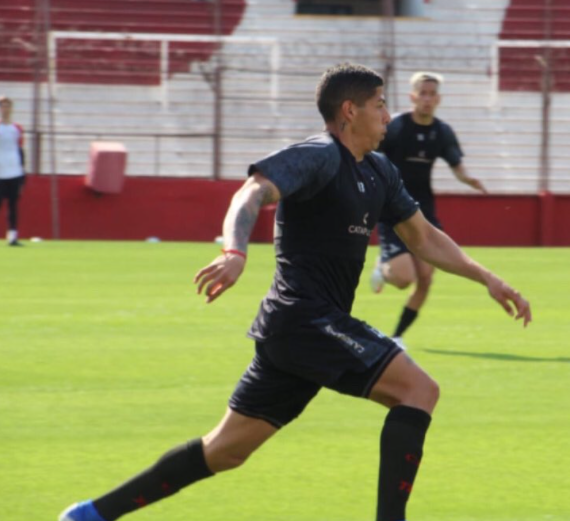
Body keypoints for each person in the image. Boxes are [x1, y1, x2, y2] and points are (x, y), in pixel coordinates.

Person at [59, 63, 531, 521]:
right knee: (418, 390)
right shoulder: (319, 155)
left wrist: (487, 277)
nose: (388, 116)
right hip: (306, 320)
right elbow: (249, 193)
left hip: (299, 332)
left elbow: (423, 238)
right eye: (380, 105)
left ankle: (89, 514)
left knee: (224, 452)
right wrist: (235, 252)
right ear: (350, 110)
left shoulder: (381, 171)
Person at [369, 71, 487, 348]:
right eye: (422, 93)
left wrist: (468, 178)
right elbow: (372, 151)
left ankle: (396, 337)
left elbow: (456, 164)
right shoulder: (396, 126)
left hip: (423, 211)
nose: (426, 98)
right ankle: (382, 268)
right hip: (392, 208)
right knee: (403, 279)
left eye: (431, 94)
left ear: (438, 99)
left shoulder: (442, 132)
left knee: (425, 279)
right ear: (413, 96)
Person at [0, 95, 26, 246]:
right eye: (2, 105)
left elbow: (20, 149)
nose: (5, 108)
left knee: (13, 205)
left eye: (8, 105)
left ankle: (13, 236)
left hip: (14, 172)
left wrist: (22, 171)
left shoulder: (17, 128)